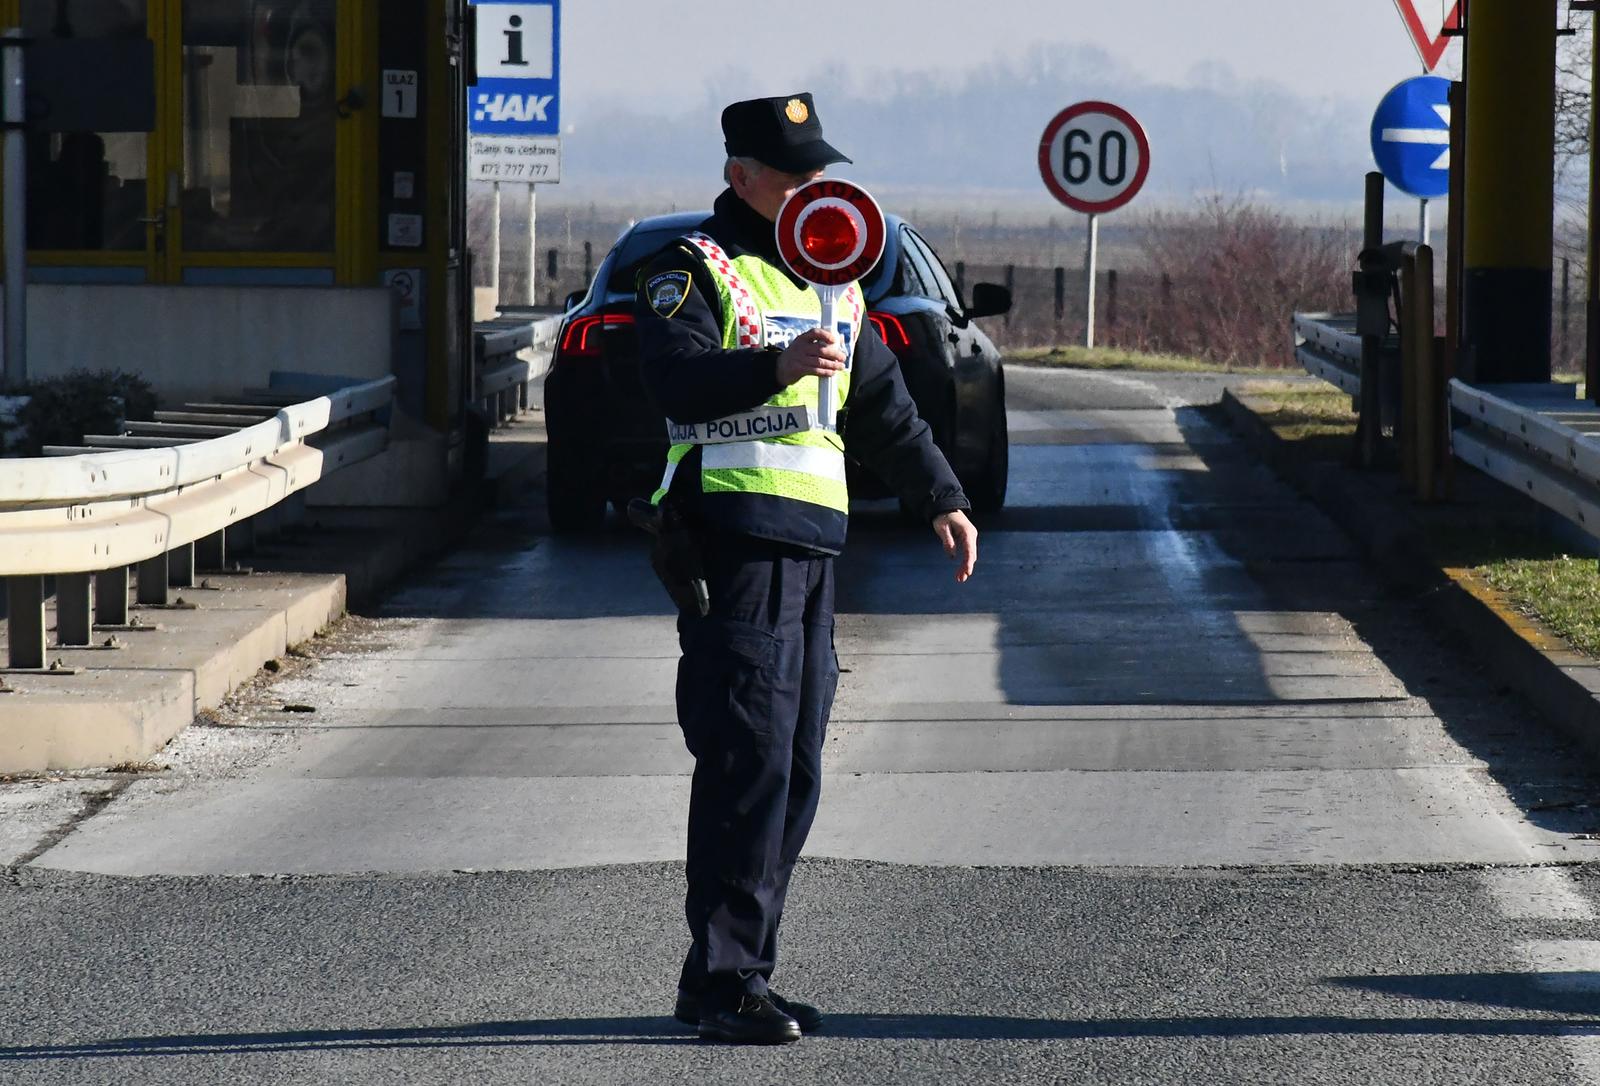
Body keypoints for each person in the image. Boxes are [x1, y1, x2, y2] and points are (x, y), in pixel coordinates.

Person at [634, 92, 979, 1045]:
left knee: (794, 766)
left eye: (816, 174)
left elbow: (878, 403)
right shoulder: (689, 270)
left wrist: (940, 496)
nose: (808, 190)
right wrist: (775, 366)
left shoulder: (834, 276)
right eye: (791, 174)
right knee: (746, 758)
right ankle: (730, 981)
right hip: (732, 542)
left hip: (814, 546)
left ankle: (725, 973)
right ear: (741, 176)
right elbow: (675, 378)